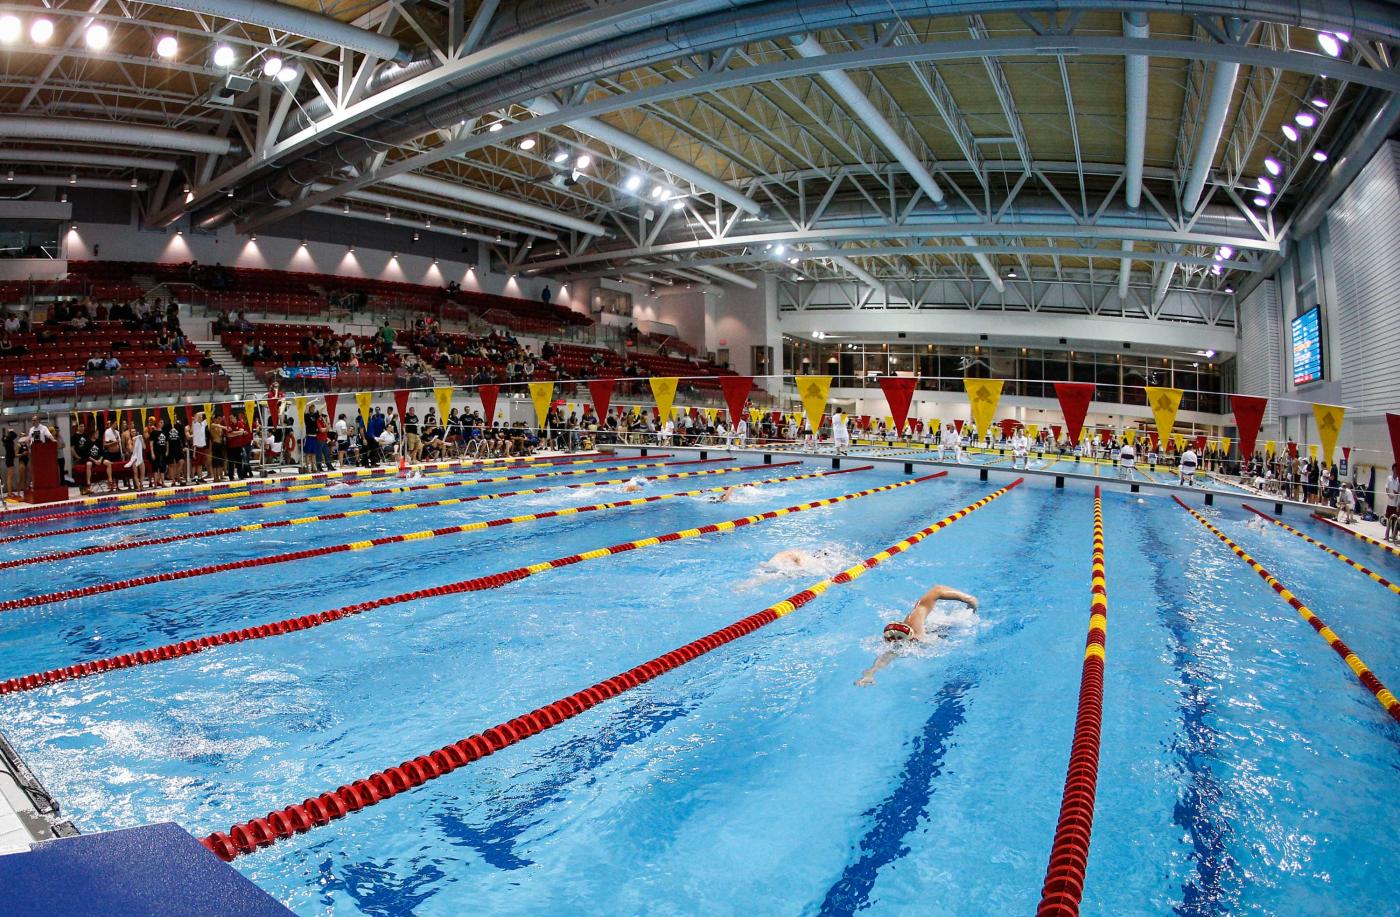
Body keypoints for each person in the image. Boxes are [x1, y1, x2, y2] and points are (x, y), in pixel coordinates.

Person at [856, 585, 979, 686]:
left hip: (938, 630)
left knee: (961, 621)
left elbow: (937, 590)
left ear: (912, 634)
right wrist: (869, 674)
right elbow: (884, 658)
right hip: (931, 637)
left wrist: (967, 599)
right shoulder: (898, 644)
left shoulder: (913, 622)